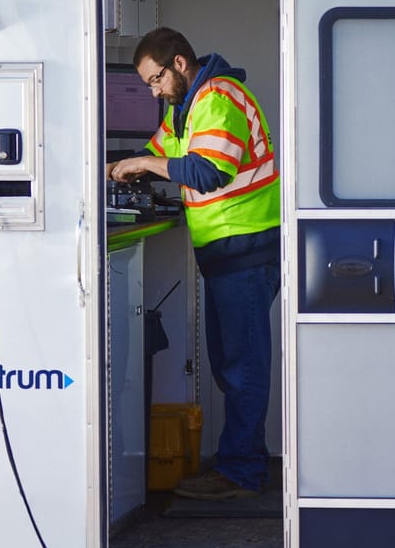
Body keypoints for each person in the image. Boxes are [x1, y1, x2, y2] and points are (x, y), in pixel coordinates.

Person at [108, 26, 280, 500]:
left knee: (242, 367)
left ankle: (242, 473)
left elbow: (208, 171)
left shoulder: (218, 97)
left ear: (179, 64)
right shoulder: (186, 107)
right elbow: (158, 152)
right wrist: (113, 165)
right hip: (227, 252)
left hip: (246, 249)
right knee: (232, 364)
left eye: (155, 79)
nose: (153, 91)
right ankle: (241, 464)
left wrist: (142, 167)